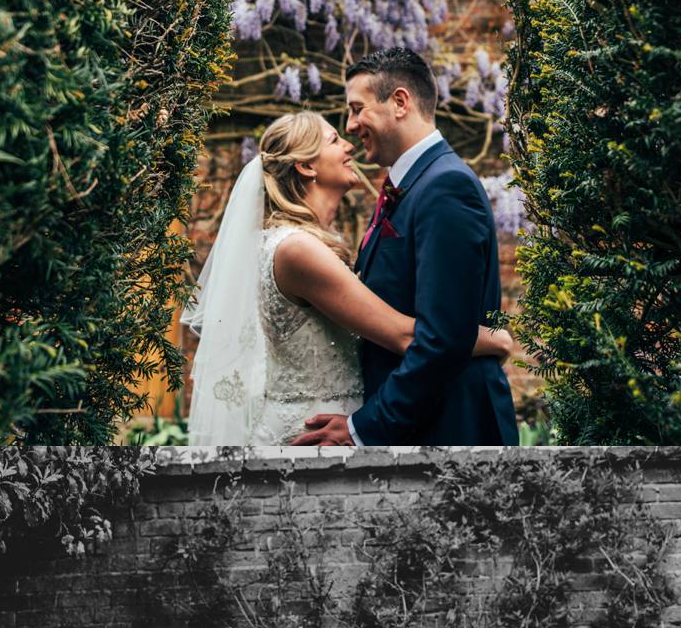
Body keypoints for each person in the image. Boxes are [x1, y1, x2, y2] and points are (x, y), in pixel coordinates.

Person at [185, 110, 513, 449]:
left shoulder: (304, 244)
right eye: (334, 140)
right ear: (306, 166)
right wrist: (494, 340)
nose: (349, 144)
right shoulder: (297, 249)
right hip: (313, 433)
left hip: (333, 427)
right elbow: (401, 335)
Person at [289, 49, 521, 447]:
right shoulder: (412, 186)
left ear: (399, 102)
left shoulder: (445, 186)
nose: (351, 125)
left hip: (452, 429)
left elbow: (442, 341)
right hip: (422, 428)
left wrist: (364, 427)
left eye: (357, 109)